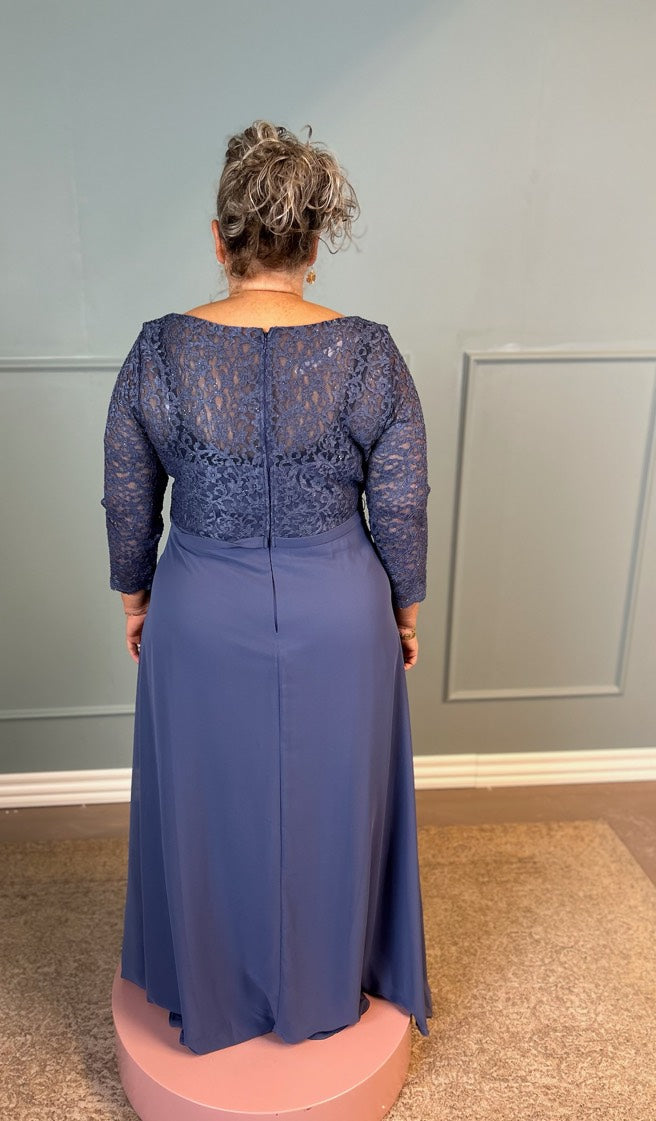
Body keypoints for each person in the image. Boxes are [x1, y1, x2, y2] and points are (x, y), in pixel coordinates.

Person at [101, 119, 433, 1057]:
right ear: (314, 244)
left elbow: (128, 494)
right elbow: (400, 501)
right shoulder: (368, 352)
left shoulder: (160, 351)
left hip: (201, 607)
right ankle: (327, 978)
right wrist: (404, 607)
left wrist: (136, 597)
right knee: (333, 803)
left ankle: (212, 989)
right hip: (342, 609)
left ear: (220, 239)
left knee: (210, 807)